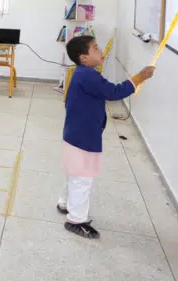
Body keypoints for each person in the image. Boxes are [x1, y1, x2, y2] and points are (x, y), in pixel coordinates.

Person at [58, 35, 155, 239]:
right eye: (95, 48)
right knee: (82, 178)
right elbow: (113, 92)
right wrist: (140, 77)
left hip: (75, 134)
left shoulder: (82, 73)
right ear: (83, 57)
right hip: (83, 137)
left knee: (74, 173)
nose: (101, 51)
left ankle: (65, 203)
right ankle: (76, 220)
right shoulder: (88, 75)